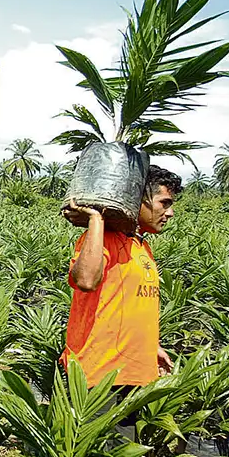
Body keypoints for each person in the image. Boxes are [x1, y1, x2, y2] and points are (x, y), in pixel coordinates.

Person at [61, 164, 182, 391]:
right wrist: (97, 220)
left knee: (128, 429)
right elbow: (85, 281)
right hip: (99, 373)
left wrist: (151, 345)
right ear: (138, 199)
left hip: (134, 371)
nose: (170, 213)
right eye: (164, 203)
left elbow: (131, 304)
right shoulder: (102, 239)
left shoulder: (141, 246)